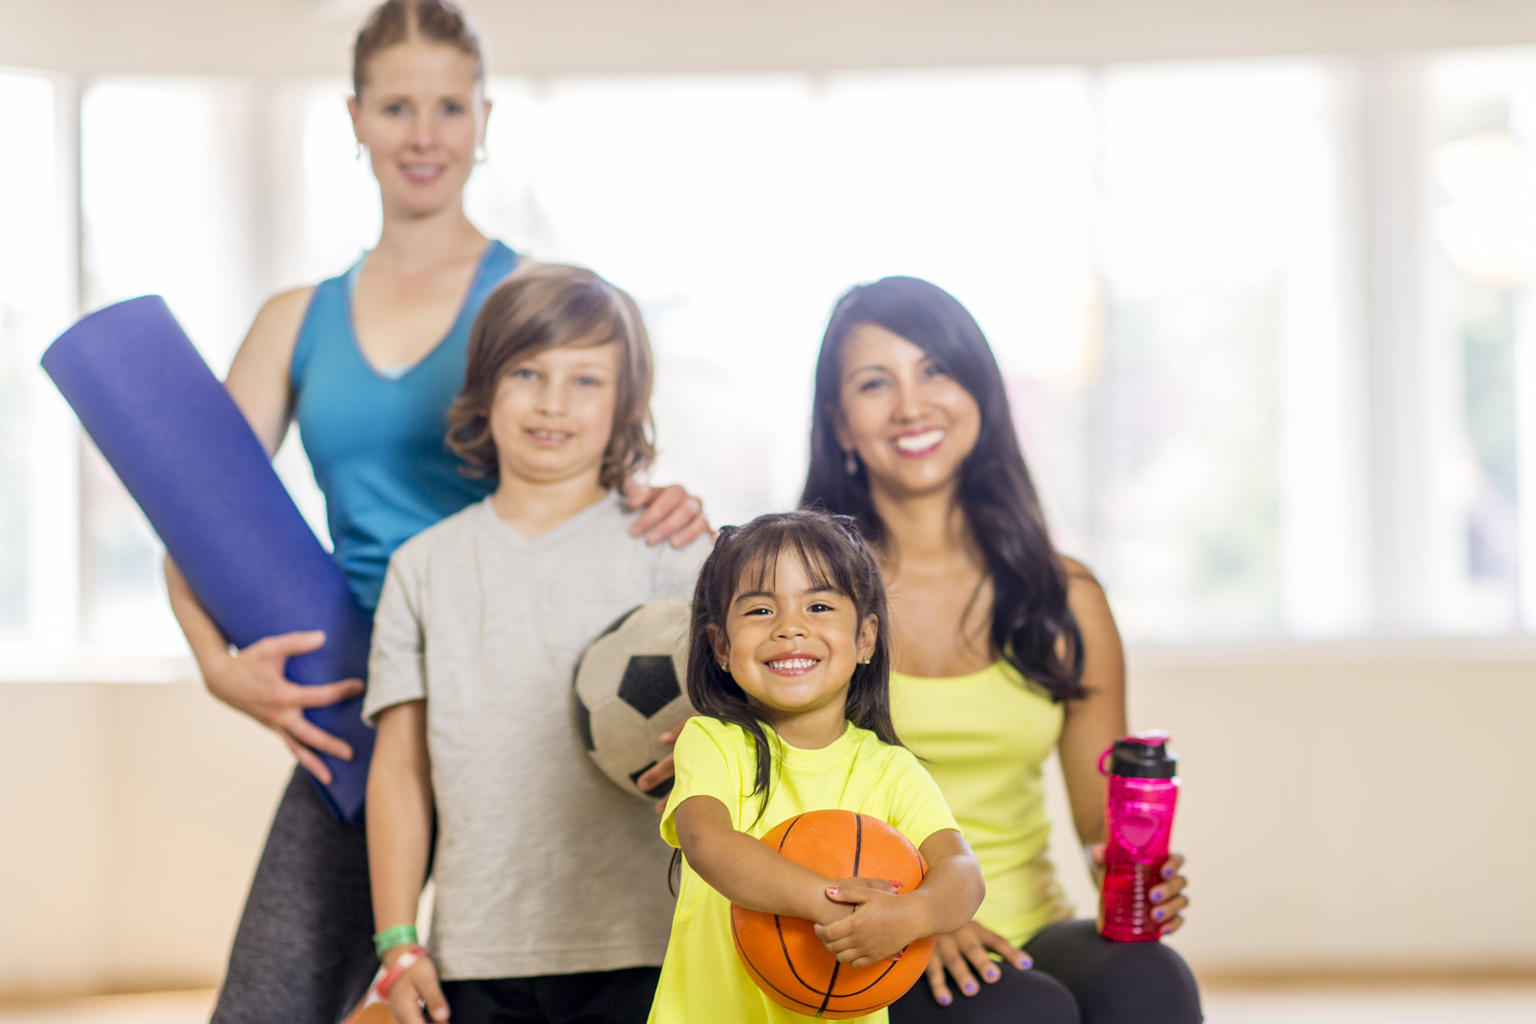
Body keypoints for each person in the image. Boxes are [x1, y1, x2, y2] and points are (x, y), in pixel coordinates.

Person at [162, 5, 707, 1022]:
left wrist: (668, 501)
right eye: (398, 106)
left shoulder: (530, 301)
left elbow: (599, 465)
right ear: (357, 118)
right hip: (365, 700)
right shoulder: (297, 318)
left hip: (534, 699)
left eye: (449, 106)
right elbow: (195, 513)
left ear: (484, 119)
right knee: (267, 1003)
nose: (424, 134)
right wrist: (216, 662)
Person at [800, 277, 1203, 1024]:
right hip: (867, 937)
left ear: (980, 394)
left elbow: (1095, 816)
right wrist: (925, 912)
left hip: (1028, 926)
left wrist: (1124, 863)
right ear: (841, 423)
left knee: (1151, 980)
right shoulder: (805, 597)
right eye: (874, 383)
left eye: (935, 371)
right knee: (1023, 1013)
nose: (911, 404)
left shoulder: (1065, 595)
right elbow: (781, 804)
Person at [364, 264, 709, 1024]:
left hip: (648, 943)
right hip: (479, 955)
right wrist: (399, 945)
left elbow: (756, 733)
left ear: (624, 406)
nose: (554, 402)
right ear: (485, 389)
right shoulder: (422, 568)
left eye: (587, 380)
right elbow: (399, 770)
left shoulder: (674, 554)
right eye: (528, 372)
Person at [648, 509, 987, 1024]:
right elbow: (708, 844)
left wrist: (911, 915)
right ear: (721, 646)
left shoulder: (891, 771)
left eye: (820, 605)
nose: (790, 628)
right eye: (760, 611)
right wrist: (824, 902)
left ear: (866, 639)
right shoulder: (713, 742)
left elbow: (964, 876)